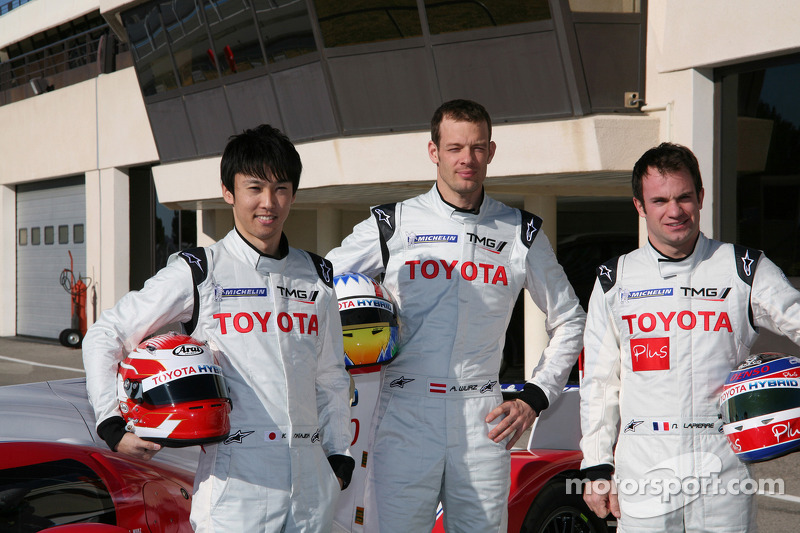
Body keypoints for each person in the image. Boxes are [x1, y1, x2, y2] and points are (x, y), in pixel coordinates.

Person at [326, 99, 586, 532]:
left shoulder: (520, 231)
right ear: (434, 152)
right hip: (405, 410)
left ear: (491, 152)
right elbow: (320, 285)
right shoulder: (394, 222)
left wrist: (534, 397)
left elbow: (571, 319)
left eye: (478, 148)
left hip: (483, 413)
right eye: (455, 148)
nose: (467, 159)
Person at [82, 124, 354, 532]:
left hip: (313, 482)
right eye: (254, 188)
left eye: (281, 188)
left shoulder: (317, 276)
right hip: (237, 480)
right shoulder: (200, 270)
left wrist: (338, 457)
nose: (269, 202)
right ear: (228, 192)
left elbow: (330, 375)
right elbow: (106, 334)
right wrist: (110, 424)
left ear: (294, 193)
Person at [579, 142, 800, 531]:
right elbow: (599, 383)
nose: (674, 210)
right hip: (644, 464)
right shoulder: (614, 280)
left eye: (684, 197)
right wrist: (597, 463)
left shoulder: (742, 267)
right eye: (660, 200)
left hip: (723, 460)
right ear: (639, 206)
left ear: (700, 197)